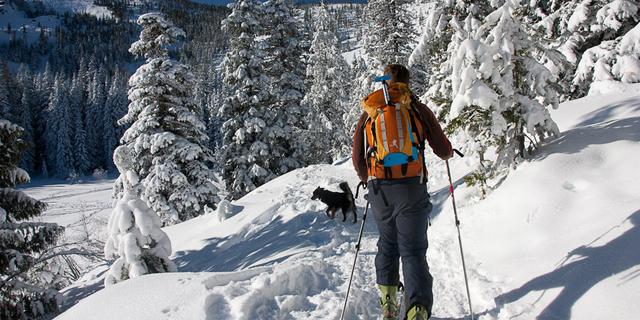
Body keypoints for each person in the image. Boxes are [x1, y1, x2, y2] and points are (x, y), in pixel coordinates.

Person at [351, 64, 453, 320]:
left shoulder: (371, 110)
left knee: (388, 244)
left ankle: (388, 302)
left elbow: (357, 155)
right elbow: (442, 148)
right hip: (411, 187)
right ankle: (417, 309)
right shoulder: (415, 107)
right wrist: (448, 153)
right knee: (413, 249)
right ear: (406, 84)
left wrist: (368, 178)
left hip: (380, 190)